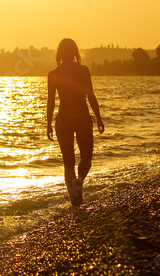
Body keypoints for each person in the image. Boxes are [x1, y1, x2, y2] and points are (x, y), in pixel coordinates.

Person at [46, 38, 104, 206]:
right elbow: (90, 95)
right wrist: (98, 118)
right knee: (86, 160)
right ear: (75, 53)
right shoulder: (83, 70)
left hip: (63, 120)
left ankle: (74, 196)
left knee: (68, 163)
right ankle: (79, 182)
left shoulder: (54, 74)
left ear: (59, 54)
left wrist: (49, 124)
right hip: (83, 119)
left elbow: (51, 101)